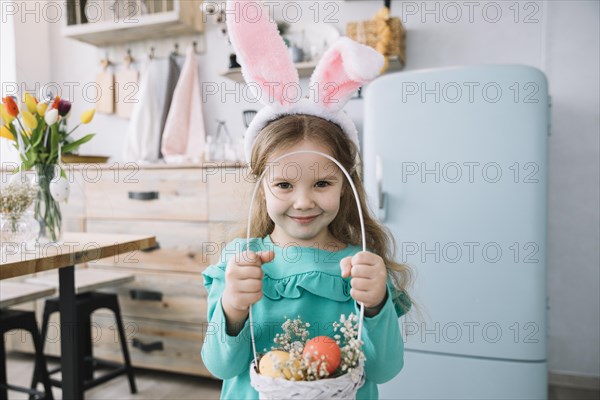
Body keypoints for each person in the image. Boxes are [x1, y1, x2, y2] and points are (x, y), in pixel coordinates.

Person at [201, 1, 413, 398]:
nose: (302, 202)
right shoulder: (238, 262)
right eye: (284, 185)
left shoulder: (361, 265)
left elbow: (384, 369)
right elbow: (219, 365)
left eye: (321, 184)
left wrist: (378, 304)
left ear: (347, 184)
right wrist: (231, 306)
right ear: (261, 186)